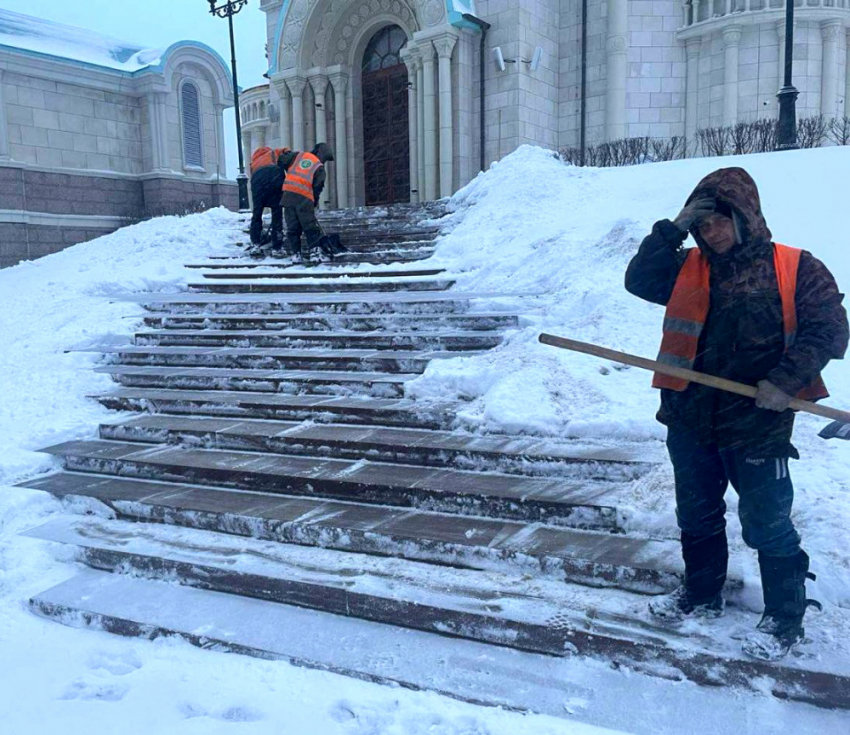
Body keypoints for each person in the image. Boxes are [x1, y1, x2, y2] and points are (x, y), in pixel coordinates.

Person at [624, 167, 848, 661]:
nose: (711, 233)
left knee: (766, 520)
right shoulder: (686, 266)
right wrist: (673, 228)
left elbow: (831, 329)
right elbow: (638, 280)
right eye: (703, 226)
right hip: (690, 413)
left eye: (720, 222)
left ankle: (784, 618)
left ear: (746, 217)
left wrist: (785, 382)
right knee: (697, 513)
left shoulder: (795, 266)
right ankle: (701, 595)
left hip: (757, 419)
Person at [280, 142, 334, 264]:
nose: (324, 161)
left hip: (288, 195)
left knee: (292, 227)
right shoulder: (319, 167)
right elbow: (317, 187)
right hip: (304, 198)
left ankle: (296, 254)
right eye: (325, 159)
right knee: (309, 226)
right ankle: (314, 253)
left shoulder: (298, 156)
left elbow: (282, 160)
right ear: (322, 154)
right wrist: (313, 201)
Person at [248, 146, 289, 256]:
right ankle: (277, 246)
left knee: (257, 213)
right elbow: (286, 151)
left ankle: (255, 244)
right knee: (277, 212)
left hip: (257, 181)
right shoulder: (273, 152)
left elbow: (253, 177)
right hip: (274, 176)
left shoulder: (254, 162)